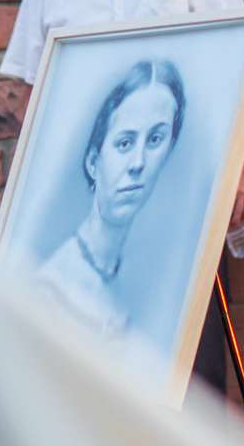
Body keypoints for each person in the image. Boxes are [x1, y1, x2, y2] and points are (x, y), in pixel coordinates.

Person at [0, 0, 244, 393]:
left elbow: (243, 61)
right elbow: (34, 100)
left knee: (199, 373)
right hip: (90, 211)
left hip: (187, 202)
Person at [39, 60, 185, 335]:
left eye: (155, 139)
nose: (138, 163)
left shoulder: (159, 274)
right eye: (125, 143)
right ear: (93, 162)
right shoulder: (52, 288)